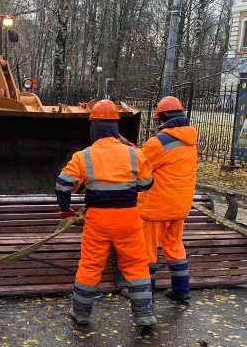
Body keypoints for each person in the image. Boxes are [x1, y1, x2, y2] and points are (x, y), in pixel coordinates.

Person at [55, 99, 156, 330]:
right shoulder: (133, 154)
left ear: (93, 128)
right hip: (129, 219)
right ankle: (144, 315)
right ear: (115, 127)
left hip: (98, 220)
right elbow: (147, 184)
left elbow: (62, 186)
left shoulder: (84, 156)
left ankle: (81, 313)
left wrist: (65, 210)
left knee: (90, 265)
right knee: (137, 265)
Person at [138, 95, 198, 302]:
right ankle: (182, 290)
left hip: (156, 207)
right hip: (180, 205)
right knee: (174, 246)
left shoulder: (158, 142)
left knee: (148, 251)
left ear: (160, 118)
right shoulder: (190, 141)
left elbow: (140, 167)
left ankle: (146, 295)